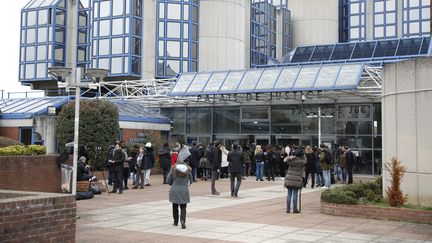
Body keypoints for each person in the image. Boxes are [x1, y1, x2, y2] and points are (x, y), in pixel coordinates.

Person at [167, 161, 193, 229]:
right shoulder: (188, 170)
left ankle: (175, 222)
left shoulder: (173, 169)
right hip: (184, 190)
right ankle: (182, 221)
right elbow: (191, 181)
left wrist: (171, 171)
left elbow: (168, 180)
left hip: (175, 189)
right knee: (183, 207)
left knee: (175, 206)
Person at [284, 147, 306, 213]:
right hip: (296, 179)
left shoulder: (290, 160)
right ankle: (295, 209)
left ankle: (288, 209)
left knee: (289, 194)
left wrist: (291, 156)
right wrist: (304, 155)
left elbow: (285, 160)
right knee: (295, 194)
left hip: (289, 178)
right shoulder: (301, 162)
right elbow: (305, 162)